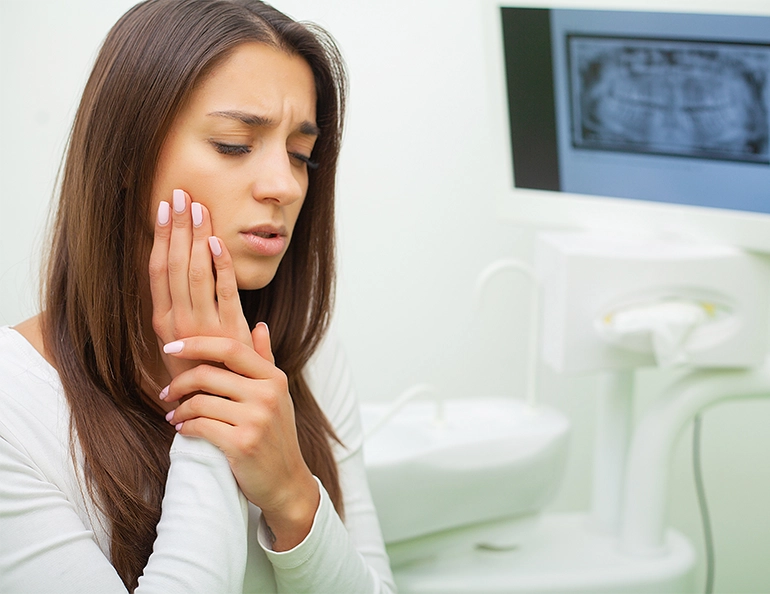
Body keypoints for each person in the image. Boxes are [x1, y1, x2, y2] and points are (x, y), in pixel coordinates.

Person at [0, 0, 396, 592]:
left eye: (301, 155)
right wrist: (210, 419)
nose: (286, 186)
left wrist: (293, 496)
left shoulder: (304, 356)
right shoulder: (13, 408)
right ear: (126, 157)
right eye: (235, 144)